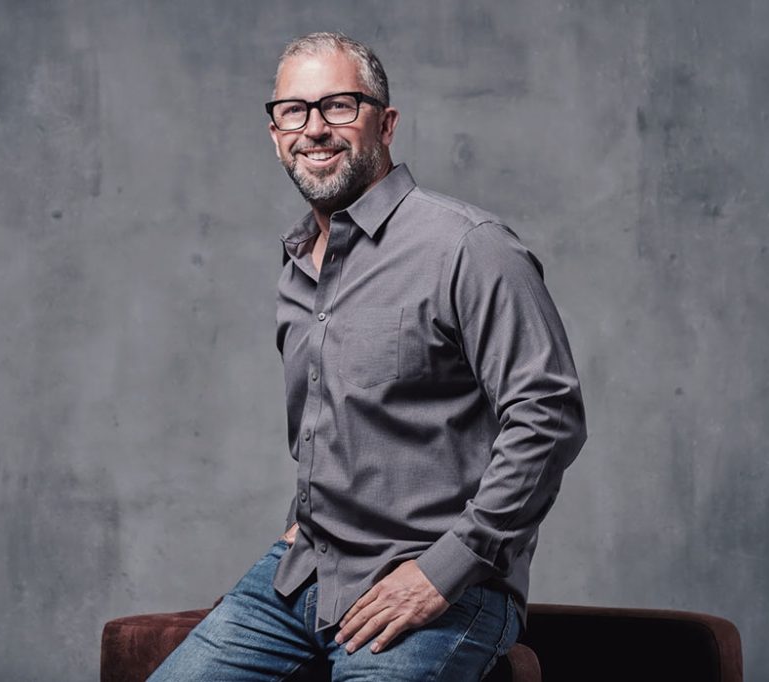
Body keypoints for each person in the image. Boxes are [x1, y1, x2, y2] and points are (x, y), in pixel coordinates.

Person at [149, 32, 586, 681]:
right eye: (294, 111)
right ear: (275, 134)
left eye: (338, 105)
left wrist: (444, 571)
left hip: (439, 585)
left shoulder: (469, 247)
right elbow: (333, 429)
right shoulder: (298, 269)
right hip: (303, 573)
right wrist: (303, 525)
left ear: (386, 123)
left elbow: (548, 417)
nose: (314, 128)